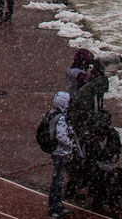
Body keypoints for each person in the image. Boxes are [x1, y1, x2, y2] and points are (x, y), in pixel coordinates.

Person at [45, 90, 77, 219]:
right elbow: (61, 136)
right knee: (58, 181)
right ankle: (54, 207)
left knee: (58, 180)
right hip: (60, 153)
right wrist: (71, 144)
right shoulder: (61, 118)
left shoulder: (53, 114)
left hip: (58, 152)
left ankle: (57, 205)